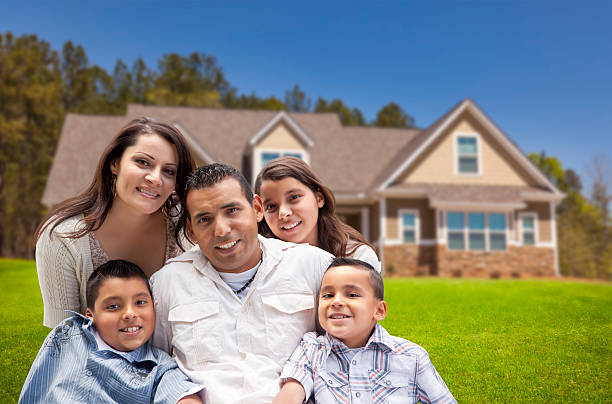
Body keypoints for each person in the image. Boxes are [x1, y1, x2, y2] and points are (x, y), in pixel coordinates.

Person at [150, 163, 334, 404]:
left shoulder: (314, 266)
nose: (222, 230)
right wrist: (181, 396)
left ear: (257, 209)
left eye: (232, 210)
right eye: (204, 219)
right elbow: (153, 364)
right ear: (191, 230)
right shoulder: (167, 284)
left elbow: (350, 349)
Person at [33, 117, 195, 328]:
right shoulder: (62, 239)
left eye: (169, 171)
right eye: (143, 162)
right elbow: (64, 340)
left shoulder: (187, 225)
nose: (155, 178)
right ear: (115, 163)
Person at [273, 257, 457, 404]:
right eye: (328, 295)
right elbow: (291, 393)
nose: (336, 301)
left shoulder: (412, 357)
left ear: (379, 310)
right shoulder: (311, 350)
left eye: (352, 294)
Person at [19, 259, 204, 404]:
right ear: (91, 315)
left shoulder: (159, 368)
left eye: (140, 302)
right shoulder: (68, 333)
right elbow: (38, 381)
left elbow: (180, 393)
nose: (130, 314)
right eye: (114, 306)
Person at [254, 156, 380, 271]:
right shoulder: (260, 263)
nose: (283, 213)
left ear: (319, 198)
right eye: (271, 206)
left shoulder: (357, 257)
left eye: (294, 197)